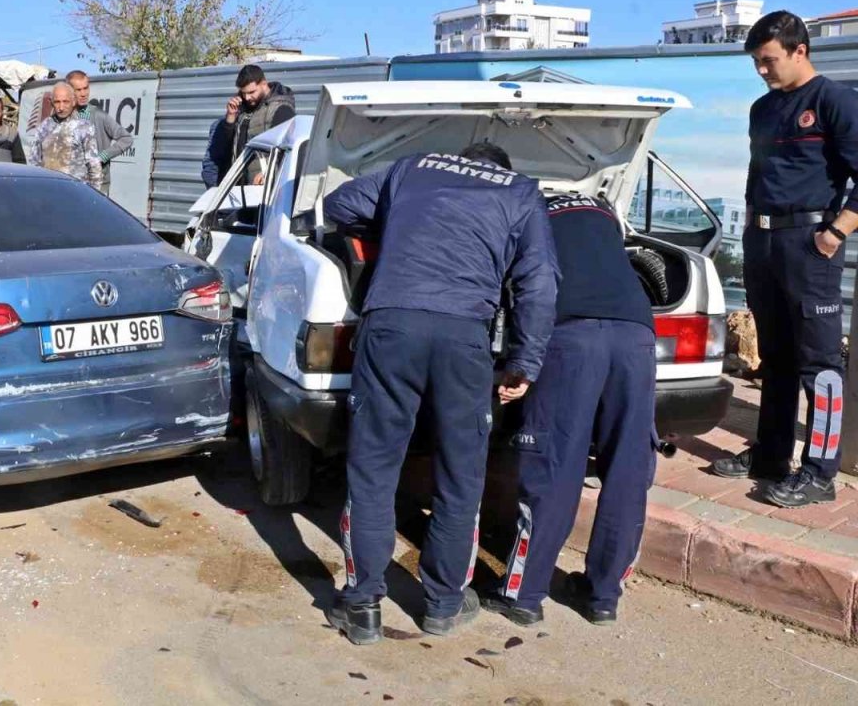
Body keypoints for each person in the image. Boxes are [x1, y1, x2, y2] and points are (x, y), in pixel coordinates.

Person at [323, 143, 559, 646]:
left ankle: (362, 605)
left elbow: (339, 205)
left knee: (373, 468)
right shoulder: (520, 192)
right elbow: (539, 284)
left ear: (467, 155)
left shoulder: (413, 166)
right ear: (501, 166)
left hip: (391, 325)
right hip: (464, 338)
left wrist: (394, 226)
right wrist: (523, 362)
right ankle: (443, 604)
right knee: (460, 473)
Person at [482, 192, 657, 628]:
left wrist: (515, 364)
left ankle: (523, 595)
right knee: (628, 465)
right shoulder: (600, 208)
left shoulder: (521, 210)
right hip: (636, 333)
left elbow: (524, 289)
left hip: (571, 334)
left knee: (554, 463)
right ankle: (603, 597)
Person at [710, 11, 858, 508]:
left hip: (810, 242)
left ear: (799, 51)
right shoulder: (763, 109)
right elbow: (758, 175)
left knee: (819, 364)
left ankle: (819, 472)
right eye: (755, 62)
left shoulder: (834, 102)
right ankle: (770, 456)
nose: (762, 70)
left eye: (768, 60)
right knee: (775, 358)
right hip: (763, 243)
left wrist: (836, 232)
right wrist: (752, 228)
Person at [201, 64, 295, 187]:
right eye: (243, 93)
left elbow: (287, 151)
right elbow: (223, 150)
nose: (247, 97)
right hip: (239, 191)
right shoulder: (241, 109)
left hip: (265, 191)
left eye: (251, 92)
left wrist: (268, 175)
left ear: (263, 84)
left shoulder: (281, 109)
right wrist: (230, 119)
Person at [67, 70, 133, 195]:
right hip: (72, 183)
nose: (83, 94)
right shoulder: (64, 117)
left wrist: (101, 158)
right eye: (78, 90)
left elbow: (126, 138)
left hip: (97, 185)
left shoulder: (98, 115)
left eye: (85, 88)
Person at [32, 82, 103, 190]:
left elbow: (94, 165)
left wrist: (95, 197)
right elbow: (34, 162)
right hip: (47, 190)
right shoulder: (44, 127)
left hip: (75, 192)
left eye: (65, 102)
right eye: (57, 102)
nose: (61, 107)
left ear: (73, 102)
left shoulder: (84, 127)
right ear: (51, 103)